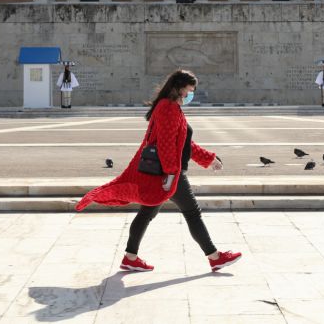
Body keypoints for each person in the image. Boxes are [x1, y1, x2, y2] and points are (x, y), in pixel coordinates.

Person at [75, 69, 242, 272]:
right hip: (168, 174)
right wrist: (171, 176)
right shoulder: (168, 108)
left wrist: (208, 159)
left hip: (164, 174)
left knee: (146, 213)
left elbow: (183, 143)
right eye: (189, 90)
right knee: (192, 213)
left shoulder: (170, 107)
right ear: (179, 88)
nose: (191, 94)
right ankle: (215, 257)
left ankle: (130, 257)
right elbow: (165, 145)